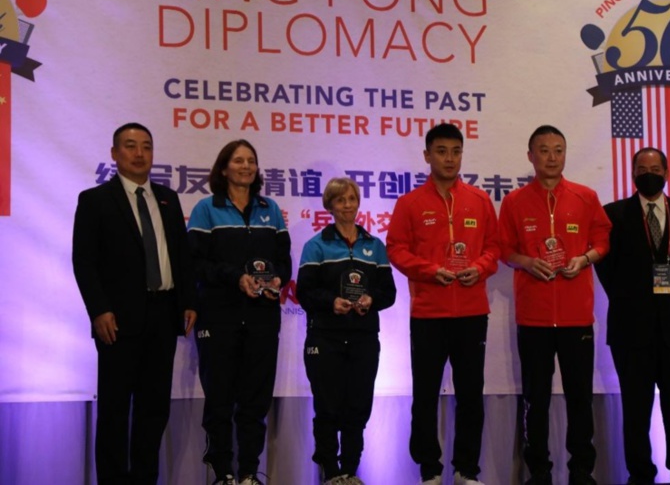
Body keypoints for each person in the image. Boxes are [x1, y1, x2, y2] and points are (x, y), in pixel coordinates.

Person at [72, 122, 196, 485]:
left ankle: (145, 479)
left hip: (163, 314)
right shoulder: (94, 200)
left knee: (153, 409)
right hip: (117, 319)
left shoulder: (168, 199)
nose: (139, 153)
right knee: (113, 410)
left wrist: (188, 301)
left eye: (146, 146)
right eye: (130, 146)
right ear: (114, 154)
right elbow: (84, 261)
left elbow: (181, 258)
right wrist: (98, 310)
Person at [386, 123, 500, 485]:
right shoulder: (410, 203)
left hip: (471, 312)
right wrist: (430, 271)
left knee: (470, 394)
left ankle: (466, 470)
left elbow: (494, 249)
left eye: (455, 151)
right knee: (425, 394)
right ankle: (430, 471)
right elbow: (396, 249)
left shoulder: (480, 200)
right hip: (429, 314)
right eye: (441, 151)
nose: (449, 159)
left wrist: (479, 269)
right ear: (427, 156)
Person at [498, 125, 611, 485]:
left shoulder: (585, 196)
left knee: (580, 397)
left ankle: (582, 470)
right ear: (530, 155)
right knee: (537, 398)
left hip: (577, 316)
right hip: (534, 318)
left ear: (566, 154)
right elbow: (503, 250)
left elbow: (602, 239)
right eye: (543, 150)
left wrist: (585, 259)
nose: (551, 157)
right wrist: (526, 262)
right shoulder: (514, 201)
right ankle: (539, 471)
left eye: (558, 150)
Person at [594, 148, 670, 484]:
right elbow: (605, 268)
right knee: (636, 408)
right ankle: (640, 472)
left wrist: (667, 294)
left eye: (655, 168)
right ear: (632, 174)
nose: (649, 173)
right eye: (642, 168)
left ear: (667, 173)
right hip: (631, 327)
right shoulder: (613, 214)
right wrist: (635, 297)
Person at [187, 139, 291, 485]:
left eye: (251, 160)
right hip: (219, 316)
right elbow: (196, 263)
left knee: (255, 401)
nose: (246, 166)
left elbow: (284, 260)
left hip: (262, 317)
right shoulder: (206, 208)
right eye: (238, 160)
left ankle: (249, 471)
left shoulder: (270, 208)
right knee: (219, 401)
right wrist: (236, 278)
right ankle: (222, 472)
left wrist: (277, 277)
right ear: (223, 168)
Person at [297, 177, 397, 485]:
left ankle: (351, 471)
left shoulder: (374, 245)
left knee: (358, 406)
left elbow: (389, 292)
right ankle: (330, 471)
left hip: (363, 338)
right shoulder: (316, 245)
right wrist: (332, 302)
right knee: (327, 406)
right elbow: (304, 292)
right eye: (340, 200)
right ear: (329, 205)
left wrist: (371, 299)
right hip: (325, 337)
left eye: (352, 199)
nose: (347, 206)